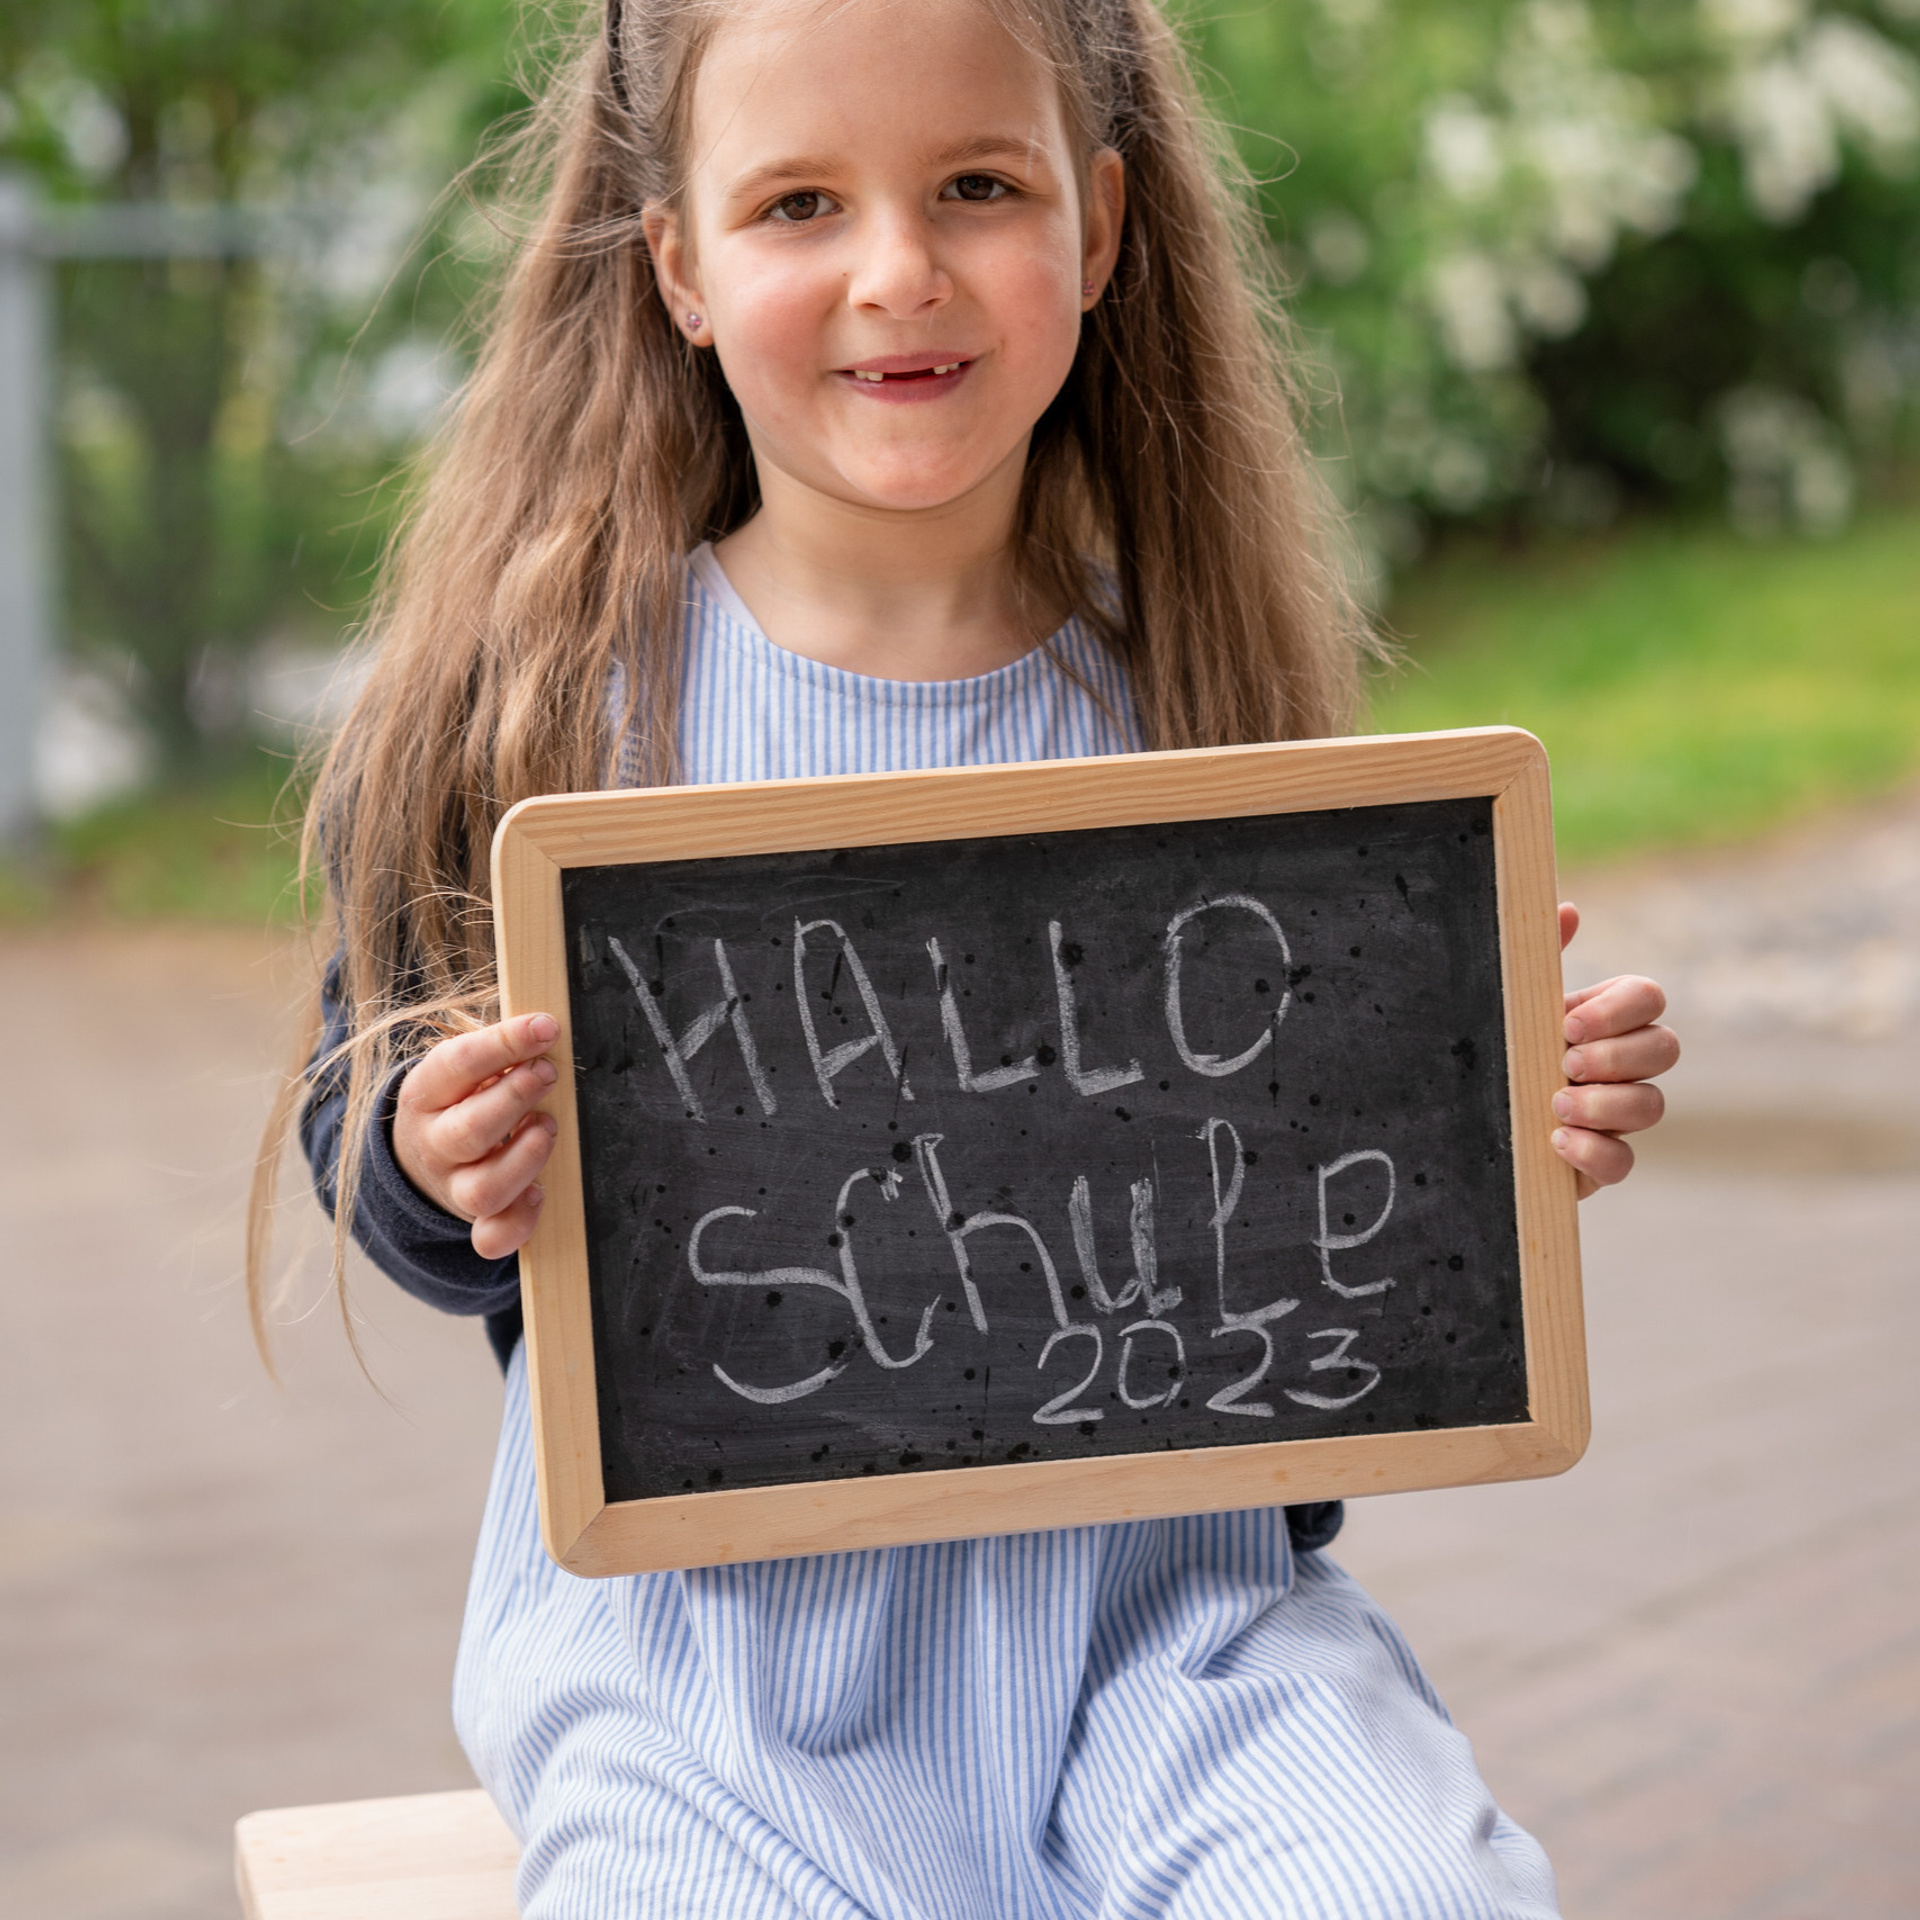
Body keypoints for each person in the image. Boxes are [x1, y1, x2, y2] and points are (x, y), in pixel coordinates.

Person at [256, 0, 1679, 1911]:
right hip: (714, 1677)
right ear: (675, 264)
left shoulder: (1198, 718)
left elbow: (1300, 1297)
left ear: (1096, 229)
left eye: (977, 187)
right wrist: (441, 1159)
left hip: (1178, 1640)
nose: (897, 273)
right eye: (798, 206)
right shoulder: (556, 729)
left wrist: (1478, 1138)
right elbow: (369, 1116)